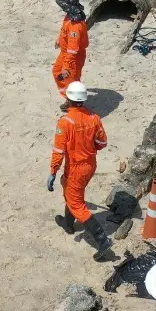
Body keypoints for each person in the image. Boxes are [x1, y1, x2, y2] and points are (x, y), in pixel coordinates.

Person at [48, 81, 111, 257]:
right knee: (69, 190)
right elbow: (102, 143)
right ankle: (68, 224)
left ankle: (103, 241)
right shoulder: (94, 118)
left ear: (68, 99)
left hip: (75, 168)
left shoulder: (65, 122)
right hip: (90, 165)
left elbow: (58, 151)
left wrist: (53, 171)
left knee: (76, 203)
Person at [52, 0, 88, 96]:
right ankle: (68, 98)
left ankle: (74, 103)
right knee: (57, 71)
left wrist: (66, 67)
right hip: (65, 53)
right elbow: (64, 29)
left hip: (72, 58)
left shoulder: (75, 27)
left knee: (71, 80)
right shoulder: (70, 16)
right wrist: (60, 38)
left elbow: (73, 49)